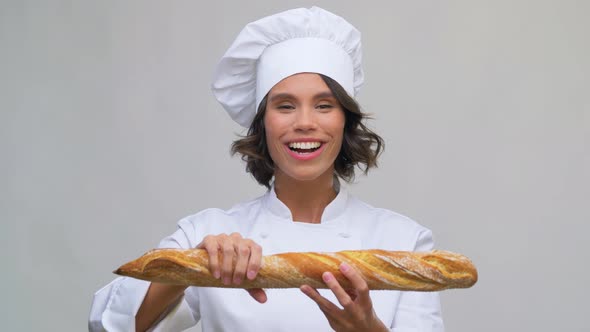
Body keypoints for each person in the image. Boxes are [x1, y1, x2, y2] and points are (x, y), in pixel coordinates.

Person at [89, 7, 444, 332]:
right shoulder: (210, 235)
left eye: (324, 105)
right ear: (262, 123)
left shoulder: (405, 244)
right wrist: (190, 268)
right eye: (285, 106)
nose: (305, 123)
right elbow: (107, 325)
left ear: (345, 120)